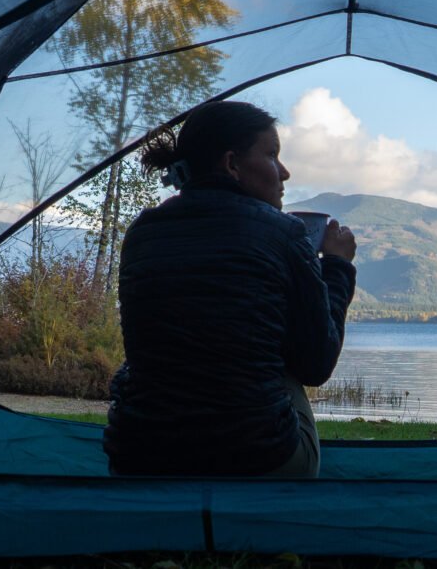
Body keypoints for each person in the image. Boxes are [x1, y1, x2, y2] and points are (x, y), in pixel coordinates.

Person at [102, 100, 356, 478]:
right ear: (232, 164)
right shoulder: (284, 233)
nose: (284, 172)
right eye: (271, 155)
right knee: (279, 362)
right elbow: (316, 365)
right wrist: (335, 268)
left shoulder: (142, 233)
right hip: (261, 457)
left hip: (141, 456)